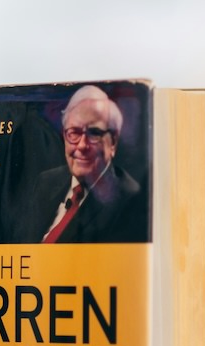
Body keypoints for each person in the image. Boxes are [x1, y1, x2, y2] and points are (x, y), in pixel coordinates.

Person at [22, 85, 148, 243]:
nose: (82, 145)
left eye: (94, 133)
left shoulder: (130, 203)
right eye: (74, 132)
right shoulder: (46, 182)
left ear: (113, 142)